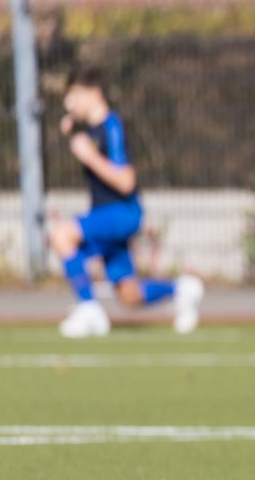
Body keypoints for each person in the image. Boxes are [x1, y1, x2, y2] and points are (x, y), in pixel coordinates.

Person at [49, 67, 203, 337]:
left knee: (62, 235)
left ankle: (89, 310)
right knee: (129, 296)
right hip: (106, 214)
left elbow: (126, 181)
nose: (68, 103)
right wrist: (74, 133)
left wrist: (88, 155)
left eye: (73, 96)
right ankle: (181, 289)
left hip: (120, 213)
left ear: (94, 94)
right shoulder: (94, 130)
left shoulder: (112, 126)